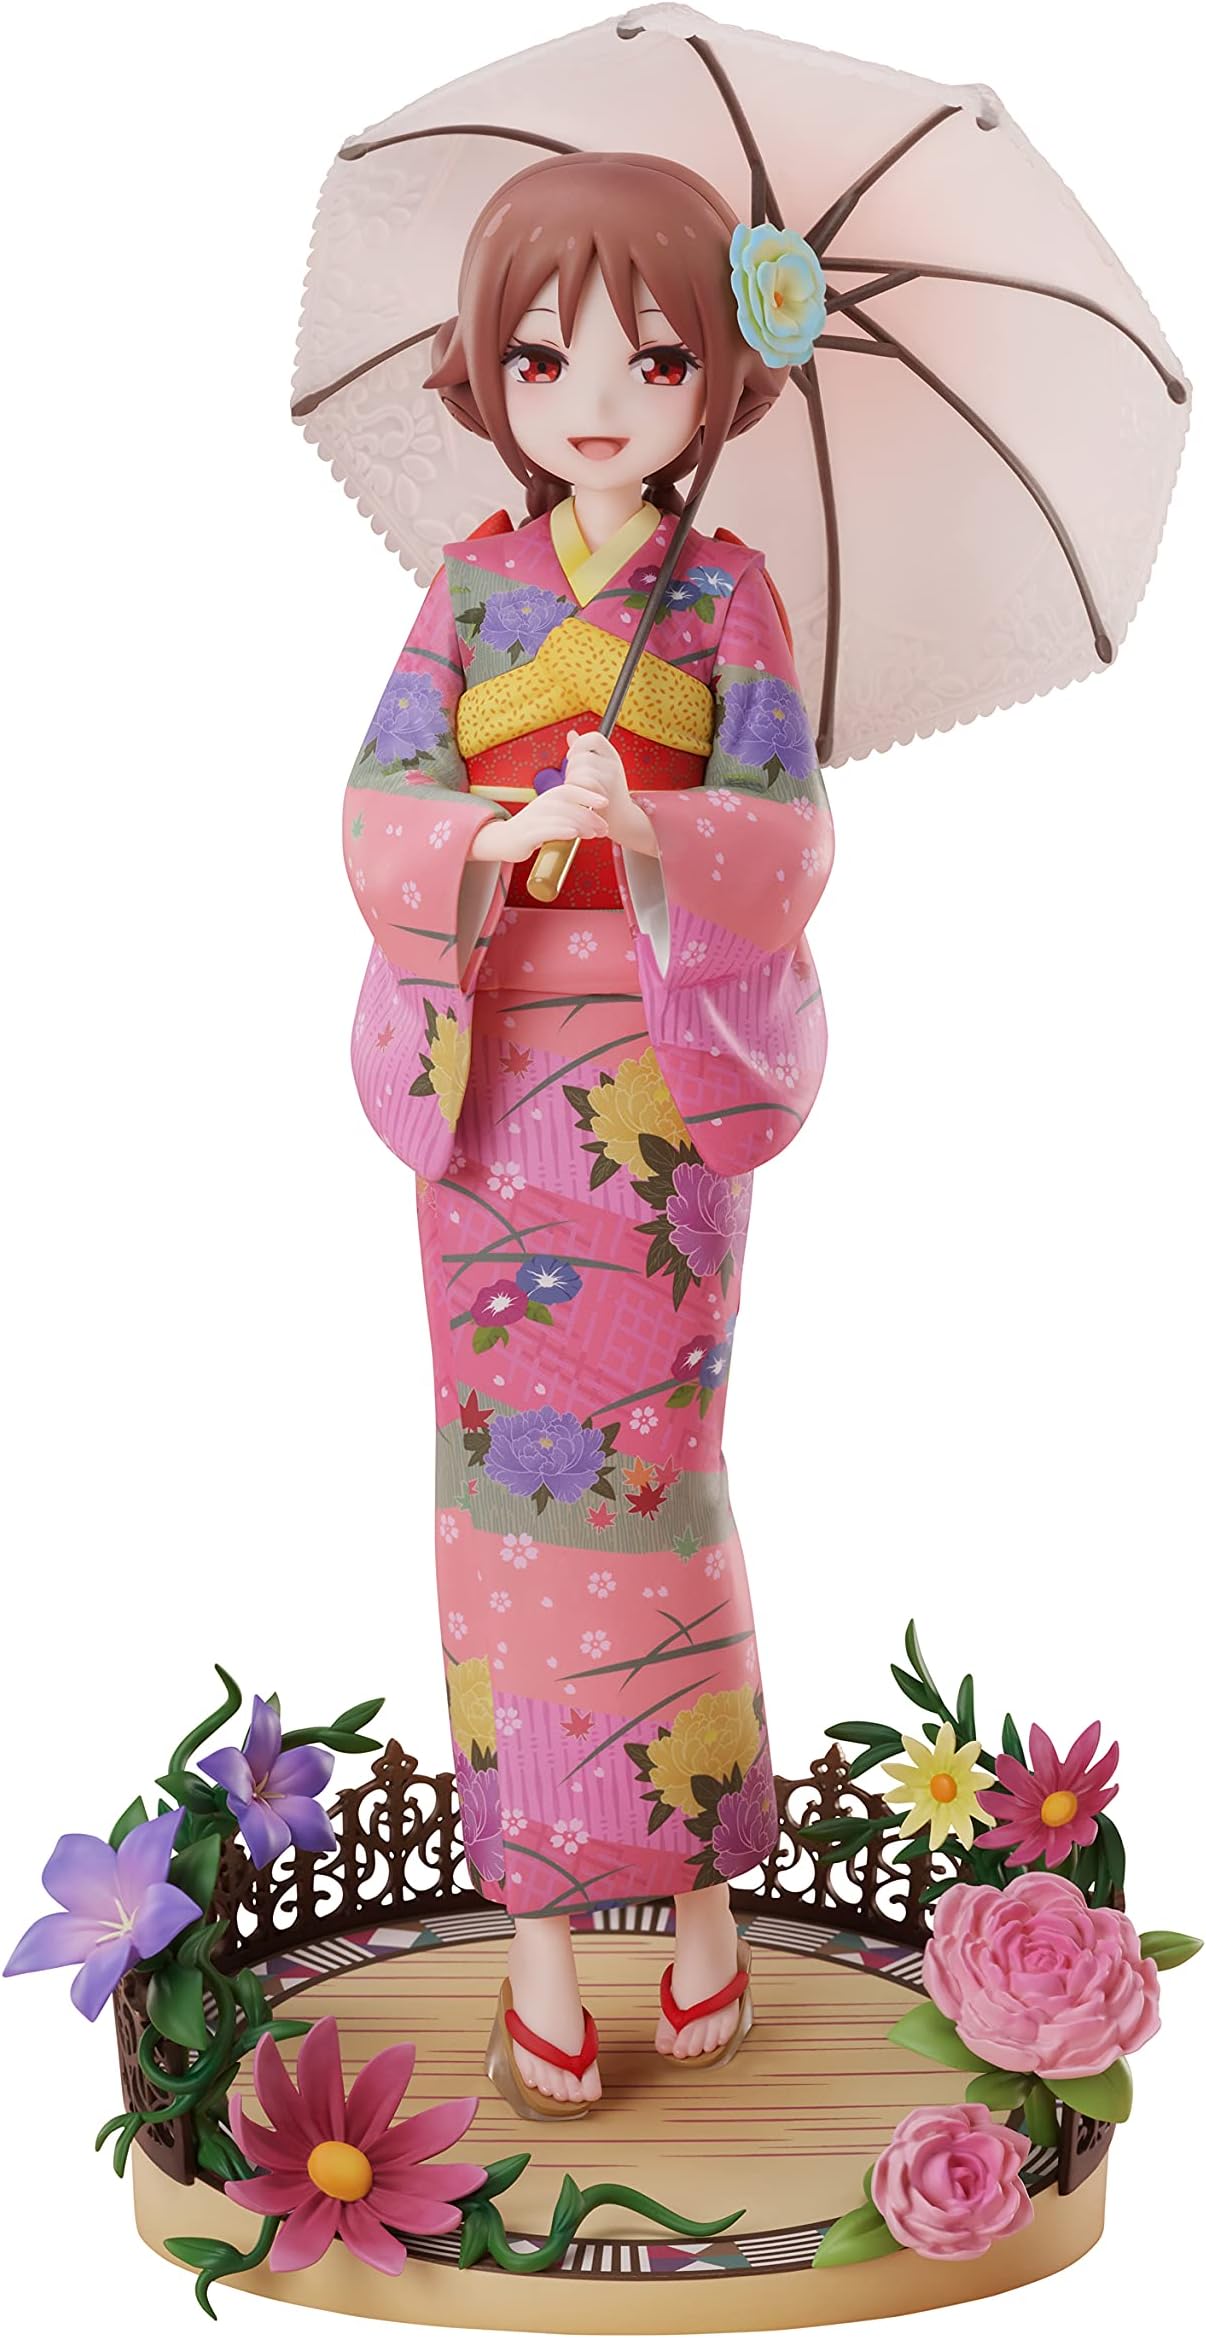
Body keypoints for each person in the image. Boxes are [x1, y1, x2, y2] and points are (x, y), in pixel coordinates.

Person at [342, 151, 834, 2117]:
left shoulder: (728, 594)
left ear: (721, 374)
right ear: (490, 375)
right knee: (494, 1487)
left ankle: (702, 1897)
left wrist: (661, 831)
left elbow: (790, 830)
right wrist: (488, 831)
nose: (600, 397)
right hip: (488, 1077)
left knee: (658, 1474)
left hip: (653, 1068)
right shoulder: (468, 589)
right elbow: (374, 808)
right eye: (545, 356)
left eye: (654, 355)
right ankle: (538, 1936)